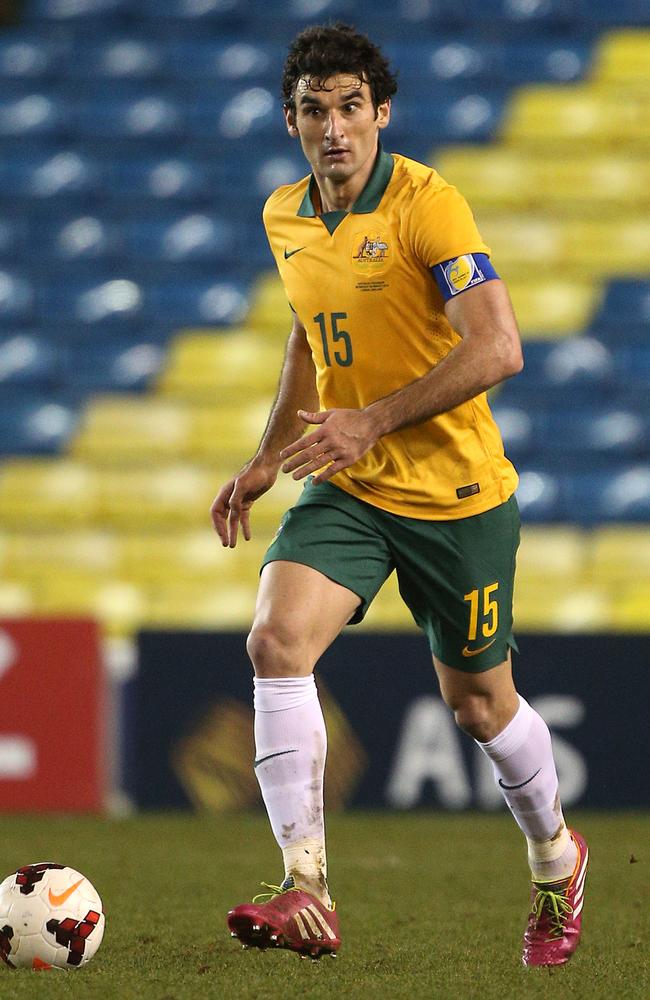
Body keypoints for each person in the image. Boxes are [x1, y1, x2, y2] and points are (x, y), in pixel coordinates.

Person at [211, 22, 588, 967]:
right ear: (291, 121)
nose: (333, 128)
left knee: (480, 707)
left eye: (350, 108)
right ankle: (306, 889)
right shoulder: (284, 214)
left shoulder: (430, 206)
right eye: (313, 110)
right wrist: (269, 455)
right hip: (350, 484)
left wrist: (371, 419)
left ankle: (557, 859)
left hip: (457, 495)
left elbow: (500, 347)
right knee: (275, 638)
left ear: (381, 113)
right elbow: (308, 333)